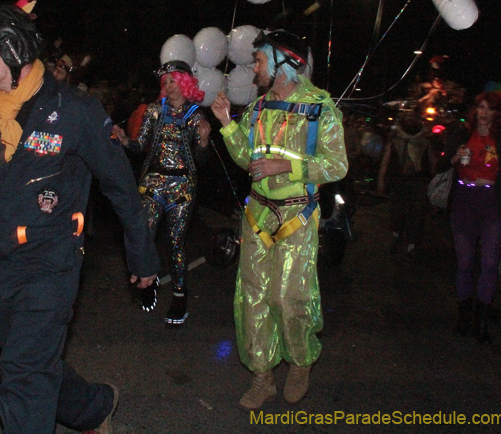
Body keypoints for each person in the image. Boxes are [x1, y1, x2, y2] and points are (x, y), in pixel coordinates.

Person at [0, 4, 159, 434]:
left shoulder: (74, 110)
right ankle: (93, 408)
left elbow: (120, 186)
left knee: (22, 374)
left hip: (52, 259)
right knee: (31, 361)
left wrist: (142, 255)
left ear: (9, 51)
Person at [210, 29, 347, 407]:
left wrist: (286, 165)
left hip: (296, 217)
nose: (253, 69)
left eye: (258, 59)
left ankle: (301, 362)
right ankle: (262, 376)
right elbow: (247, 161)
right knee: (251, 299)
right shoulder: (257, 107)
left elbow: (337, 164)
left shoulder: (320, 107)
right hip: (256, 216)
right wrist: (226, 123)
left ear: (285, 60)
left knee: (288, 297)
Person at [112, 60, 210, 325]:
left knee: (176, 241)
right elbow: (140, 146)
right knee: (146, 235)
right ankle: (148, 280)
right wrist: (124, 141)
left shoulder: (195, 115)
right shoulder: (154, 110)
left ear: (185, 83)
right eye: (165, 81)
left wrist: (203, 140)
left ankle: (179, 296)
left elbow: (201, 159)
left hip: (182, 187)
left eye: (173, 80)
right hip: (153, 182)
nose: (168, 85)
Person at [442, 91, 501, 343]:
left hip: (492, 203)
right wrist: (454, 156)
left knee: (489, 264)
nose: (483, 112)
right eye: (480, 107)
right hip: (464, 200)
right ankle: (464, 315)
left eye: (489, 108)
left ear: (496, 113)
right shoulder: (462, 133)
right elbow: (442, 164)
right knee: (464, 263)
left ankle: (481, 321)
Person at [377, 108, 435, 257]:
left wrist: (434, 182)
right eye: (407, 118)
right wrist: (381, 180)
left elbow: (432, 162)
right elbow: (386, 159)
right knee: (397, 212)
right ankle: (396, 235)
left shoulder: (425, 140)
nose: (410, 121)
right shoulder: (395, 138)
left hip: (418, 182)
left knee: (416, 214)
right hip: (398, 181)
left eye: (412, 118)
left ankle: (412, 245)